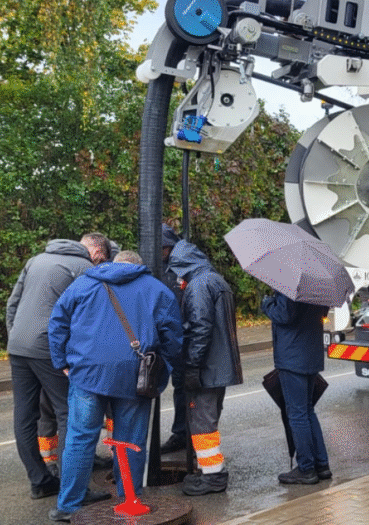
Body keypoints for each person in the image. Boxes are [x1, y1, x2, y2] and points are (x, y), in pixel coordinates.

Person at [47, 250, 182, 523]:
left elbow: (57, 323)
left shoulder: (85, 283)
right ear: (139, 268)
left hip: (87, 372)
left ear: (113, 264)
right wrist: (162, 368)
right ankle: (129, 498)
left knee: (80, 439)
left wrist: (61, 360)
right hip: (135, 376)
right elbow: (173, 336)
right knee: (131, 440)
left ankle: (68, 505)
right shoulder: (156, 289)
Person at [5, 233, 109, 499]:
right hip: (48, 347)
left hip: (18, 345)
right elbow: (89, 315)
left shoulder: (36, 260)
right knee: (69, 413)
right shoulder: (84, 268)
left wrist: (16, 336)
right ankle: (72, 487)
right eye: (102, 259)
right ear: (96, 253)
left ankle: (40, 481)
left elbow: (12, 304)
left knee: (25, 416)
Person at [167, 240, 243, 495]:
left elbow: (200, 328)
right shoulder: (215, 280)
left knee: (202, 422)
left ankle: (213, 477)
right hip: (219, 367)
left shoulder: (199, 285)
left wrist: (191, 366)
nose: (176, 278)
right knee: (207, 419)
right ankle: (210, 471)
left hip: (207, 368)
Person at [262, 292, 332, 485]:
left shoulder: (290, 284)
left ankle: (306, 468)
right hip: (311, 353)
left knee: (297, 414)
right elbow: (322, 312)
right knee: (307, 410)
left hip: (293, 356)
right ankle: (322, 464)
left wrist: (267, 304)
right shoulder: (317, 285)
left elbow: (284, 315)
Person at [159, 224, 189, 454]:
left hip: (178, 337)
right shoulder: (157, 268)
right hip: (161, 336)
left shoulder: (181, 269)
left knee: (182, 385)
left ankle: (182, 433)